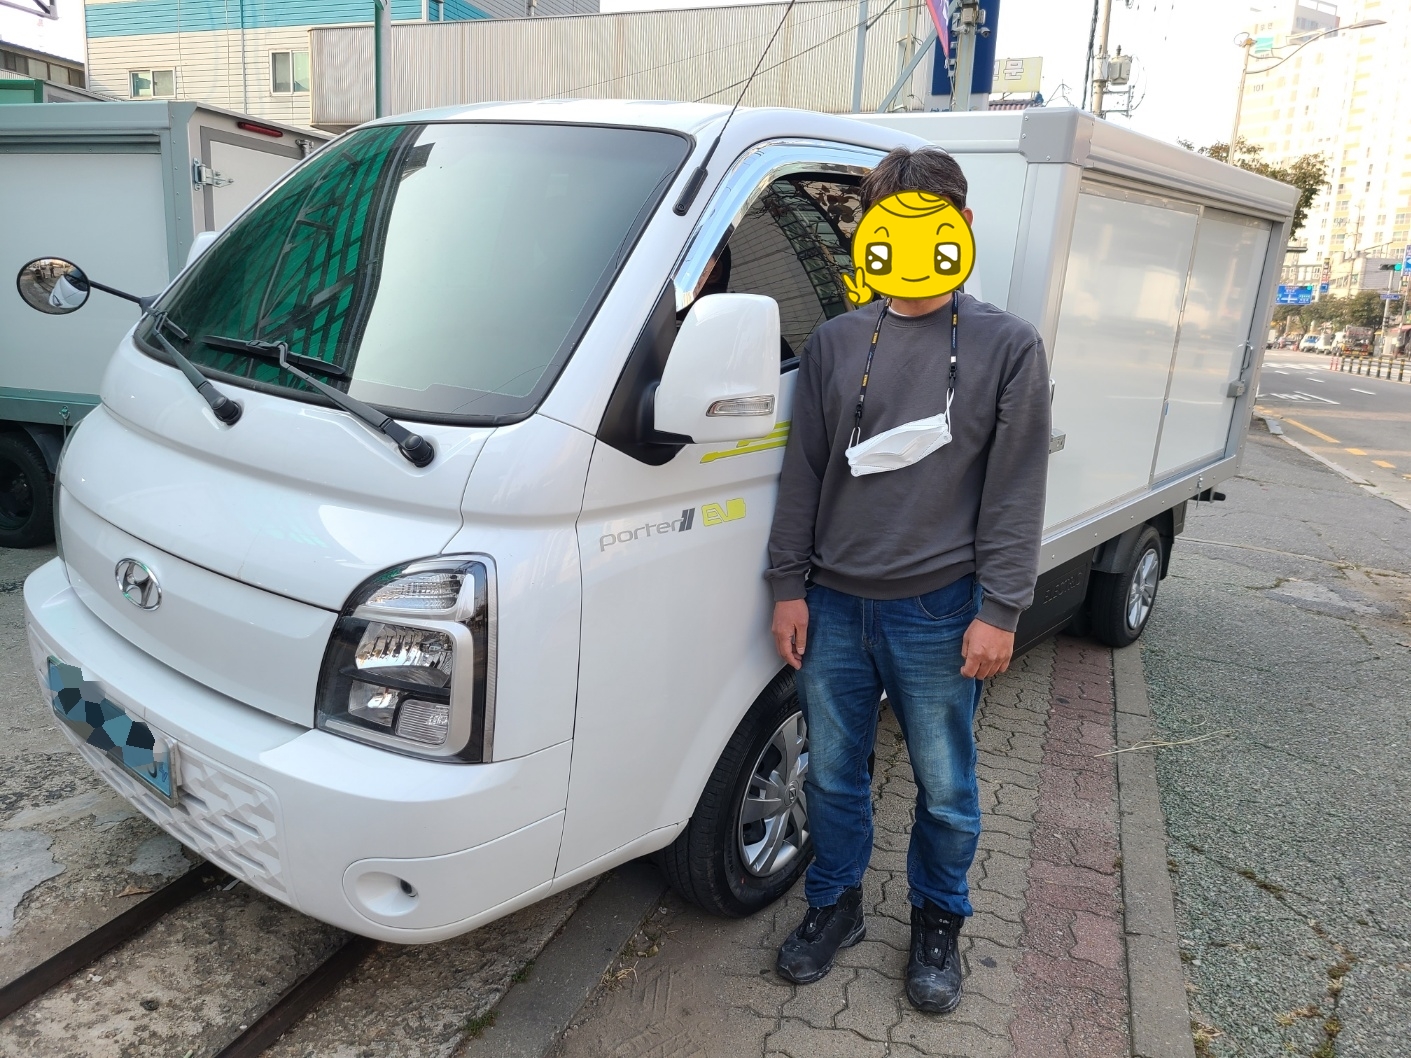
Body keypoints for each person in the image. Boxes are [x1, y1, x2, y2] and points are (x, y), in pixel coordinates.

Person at [764, 145, 1051, 1014]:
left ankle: (937, 921)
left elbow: (1015, 489)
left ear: (962, 226)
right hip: (832, 606)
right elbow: (803, 474)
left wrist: (1000, 609)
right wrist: (787, 586)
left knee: (947, 788)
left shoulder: (1006, 345)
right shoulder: (836, 342)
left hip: (939, 610)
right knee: (832, 777)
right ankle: (834, 905)